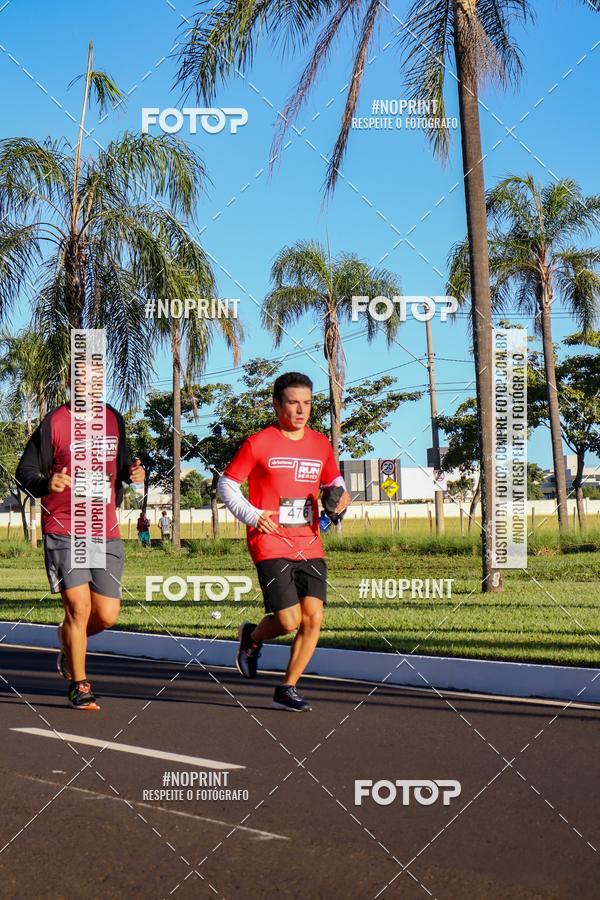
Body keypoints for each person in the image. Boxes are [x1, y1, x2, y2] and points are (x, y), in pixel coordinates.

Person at [218, 371, 350, 712]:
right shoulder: (258, 442)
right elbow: (227, 485)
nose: (301, 410)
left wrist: (341, 499)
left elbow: (334, 483)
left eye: (306, 403)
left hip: (309, 542)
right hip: (270, 542)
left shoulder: (321, 444)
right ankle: (252, 638)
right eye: (293, 403)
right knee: (289, 620)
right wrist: (251, 515)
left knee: (314, 618)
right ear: (277, 405)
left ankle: (287, 687)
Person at [16, 363, 145, 710]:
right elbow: (24, 471)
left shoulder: (113, 419)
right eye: (84, 379)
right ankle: (79, 684)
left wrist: (133, 473)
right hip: (64, 526)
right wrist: (47, 484)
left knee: (105, 614)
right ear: (72, 382)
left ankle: (67, 644)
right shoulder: (55, 422)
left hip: (105, 529)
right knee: (78, 607)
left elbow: (122, 466)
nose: (91, 386)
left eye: (98, 380)